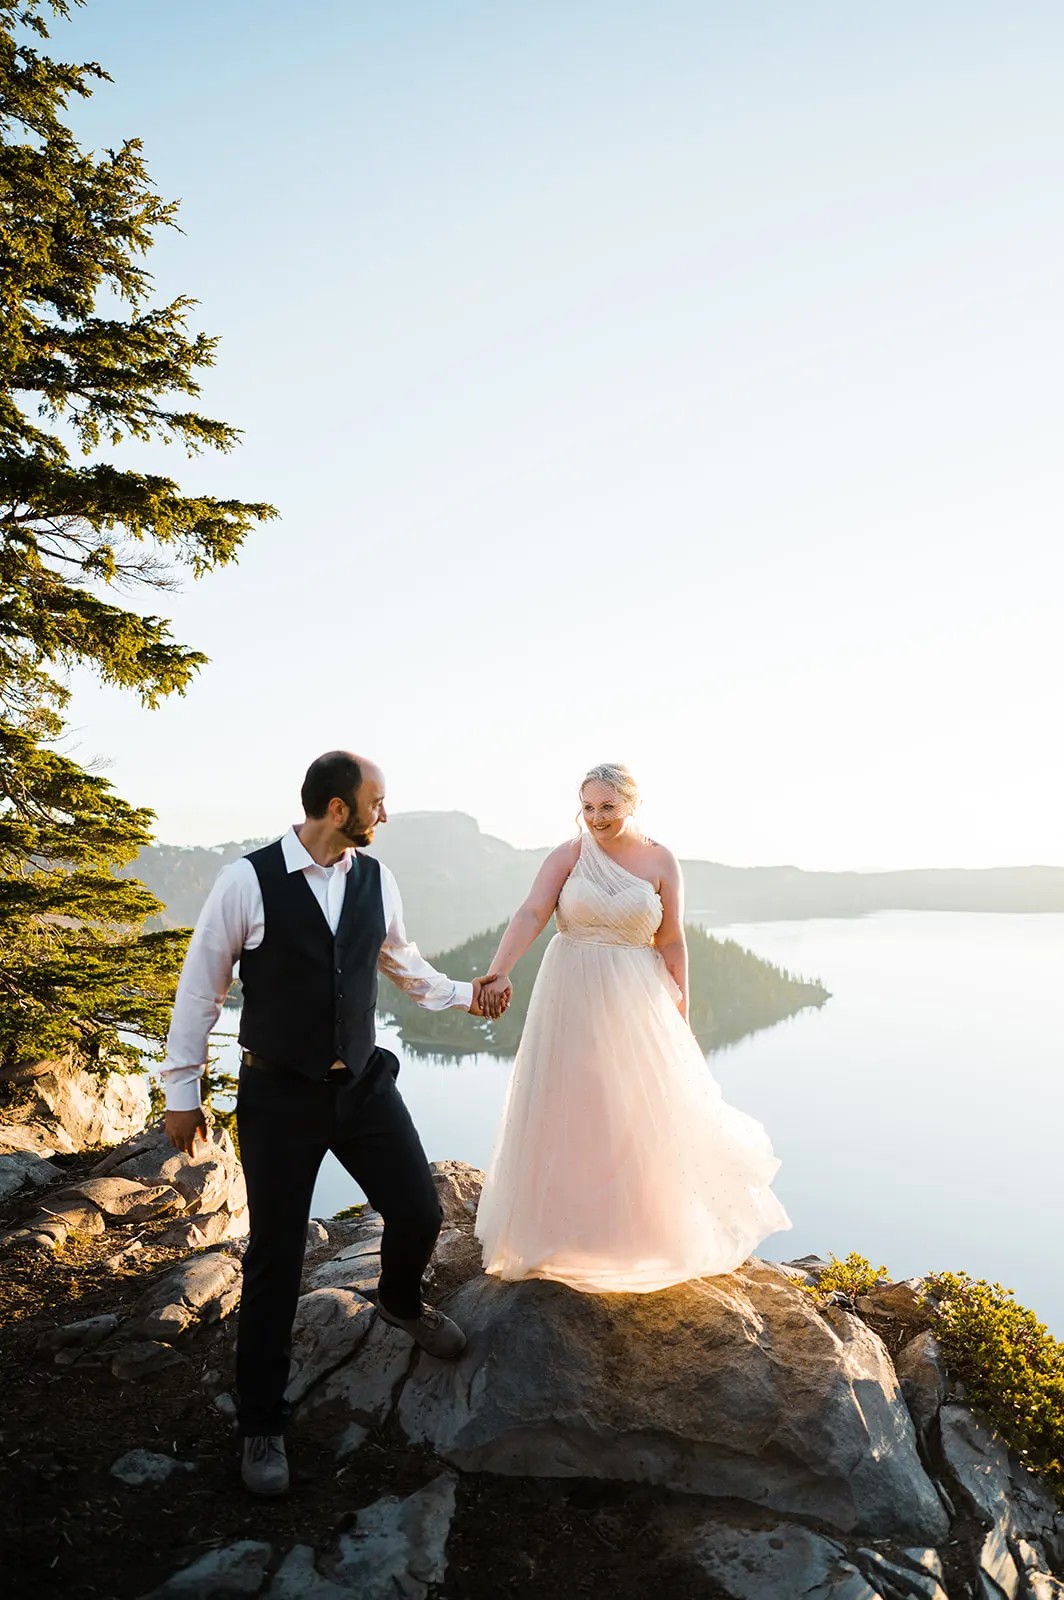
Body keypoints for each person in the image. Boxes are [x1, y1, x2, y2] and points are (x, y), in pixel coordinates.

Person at [162, 751, 507, 1496]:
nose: (385, 815)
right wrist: (180, 1091)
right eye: (376, 802)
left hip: (363, 1088)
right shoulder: (246, 881)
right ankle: (261, 1425)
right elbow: (200, 989)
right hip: (279, 1097)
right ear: (338, 808)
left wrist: (464, 996)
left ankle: (400, 1301)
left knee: (418, 1209)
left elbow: (403, 965)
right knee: (276, 1260)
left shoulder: (376, 880)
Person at [474, 762, 791, 1293]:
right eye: (588, 807)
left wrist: (681, 1015)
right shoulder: (571, 854)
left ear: (632, 805)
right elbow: (532, 912)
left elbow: (670, 941)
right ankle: (563, 1236)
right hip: (570, 989)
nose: (596, 818)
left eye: (608, 807)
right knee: (571, 1105)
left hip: (636, 996)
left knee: (635, 1109)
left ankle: (640, 1239)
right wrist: (500, 967)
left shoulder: (662, 860)